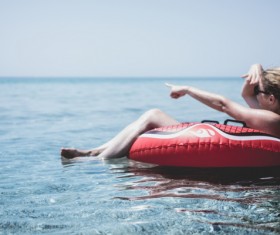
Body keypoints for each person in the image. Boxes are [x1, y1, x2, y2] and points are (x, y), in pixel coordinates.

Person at [61, 64, 280, 159]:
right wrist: (257, 67)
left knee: (152, 115)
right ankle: (93, 151)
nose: (254, 95)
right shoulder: (269, 114)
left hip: (220, 150)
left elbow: (224, 104)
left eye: (259, 92)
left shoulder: (269, 119)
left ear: (271, 98)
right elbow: (247, 93)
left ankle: (98, 160)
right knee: (154, 115)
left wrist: (187, 89)